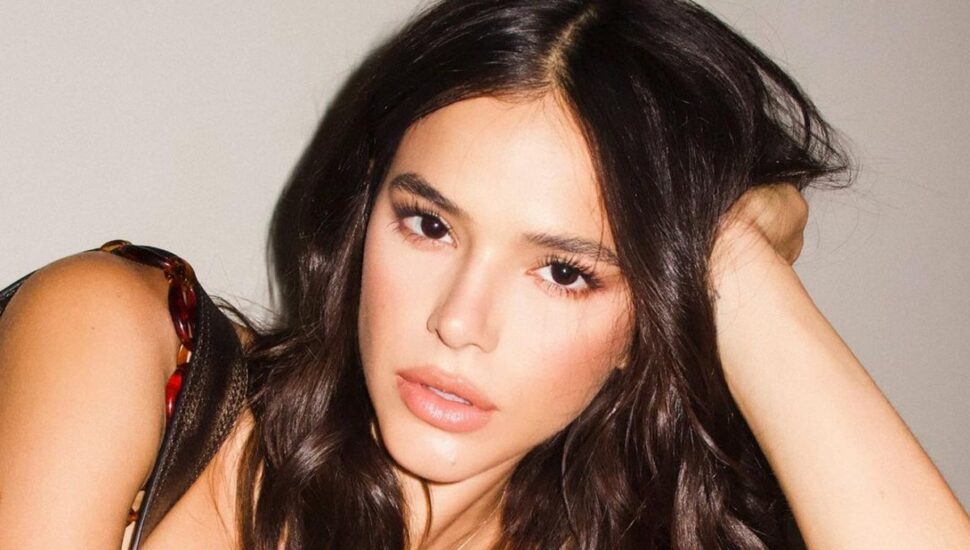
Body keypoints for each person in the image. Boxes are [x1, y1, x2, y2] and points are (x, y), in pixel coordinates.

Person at [1, 0, 968, 548]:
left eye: (565, 272)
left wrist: (734, 264)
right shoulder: (124, 343)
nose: (460, 321)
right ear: (362, 214)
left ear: (649, 325)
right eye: (429, 224)